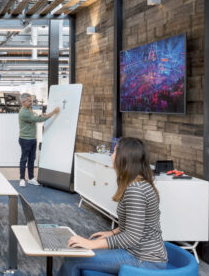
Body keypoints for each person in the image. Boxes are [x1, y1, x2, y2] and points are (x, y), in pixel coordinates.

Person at [59, 137, 167, 275]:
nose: (111, 155)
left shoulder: (136, 190)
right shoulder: (137, 183)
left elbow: (131, 237)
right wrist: (111, 233)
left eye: (115, 151)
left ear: (123, 158)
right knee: (84, 247)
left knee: (74, 258)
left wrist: (91, 244)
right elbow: (135, 223)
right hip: (137, 253)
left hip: (144, 260)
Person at [18, 93, 59, 187]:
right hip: (25, 140)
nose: (31, 102)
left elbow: (35, 117)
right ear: (23, 102)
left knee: (32, 159)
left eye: (31, 100)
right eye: (29, 101)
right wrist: (53, 112)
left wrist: (40, 115)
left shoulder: (28, 109)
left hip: (32, 138)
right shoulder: (24, 112)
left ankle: (31, 178)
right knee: (24, 159)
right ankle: (22, 179)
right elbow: (38, 120)